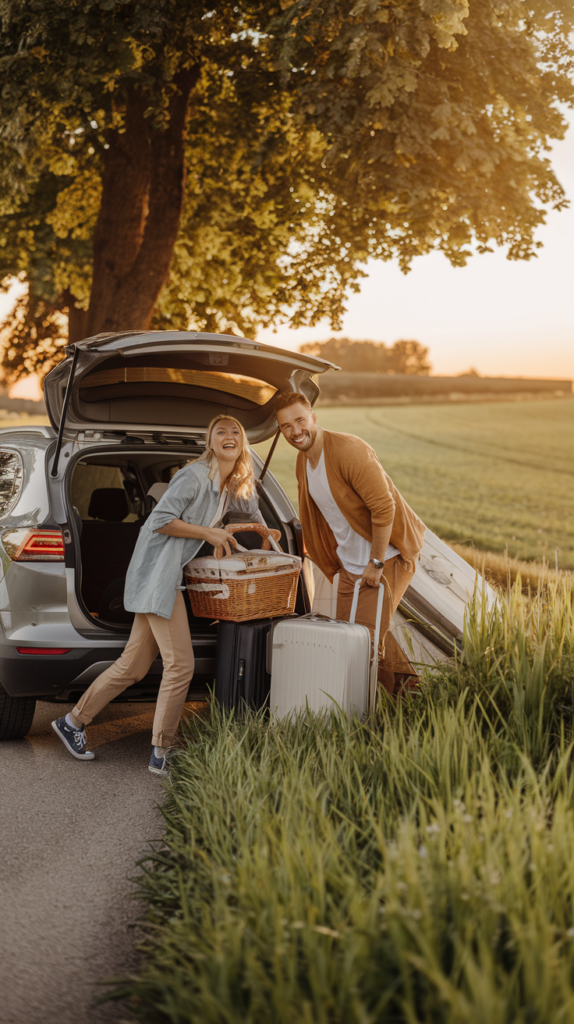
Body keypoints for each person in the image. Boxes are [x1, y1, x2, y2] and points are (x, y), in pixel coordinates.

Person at [52, 415, 266, 775]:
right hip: (157, 576)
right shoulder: (194, 475)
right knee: (181, 666)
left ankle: (72, 723)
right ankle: (161, 752)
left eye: (236, 432)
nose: (229, 436)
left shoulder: (231, 485)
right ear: (209, 442)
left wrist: (265, 531)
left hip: (164, 577)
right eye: (220, 432)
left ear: (243, 443)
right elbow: (159, 520)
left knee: (131, 667)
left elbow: (251, 510)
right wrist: (210, 534)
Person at [274, 392, 425, 697]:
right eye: (286, 426)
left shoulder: (349, 449)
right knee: (349, 639)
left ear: (313, 417)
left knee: (365, 645)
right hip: (350, 564)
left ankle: (387, 713)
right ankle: (410, 693)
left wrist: (376, 562)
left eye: (300, 420)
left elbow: (384, 508)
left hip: (387, 557)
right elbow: (321, 516)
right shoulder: (303, 462)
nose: (295, 431)